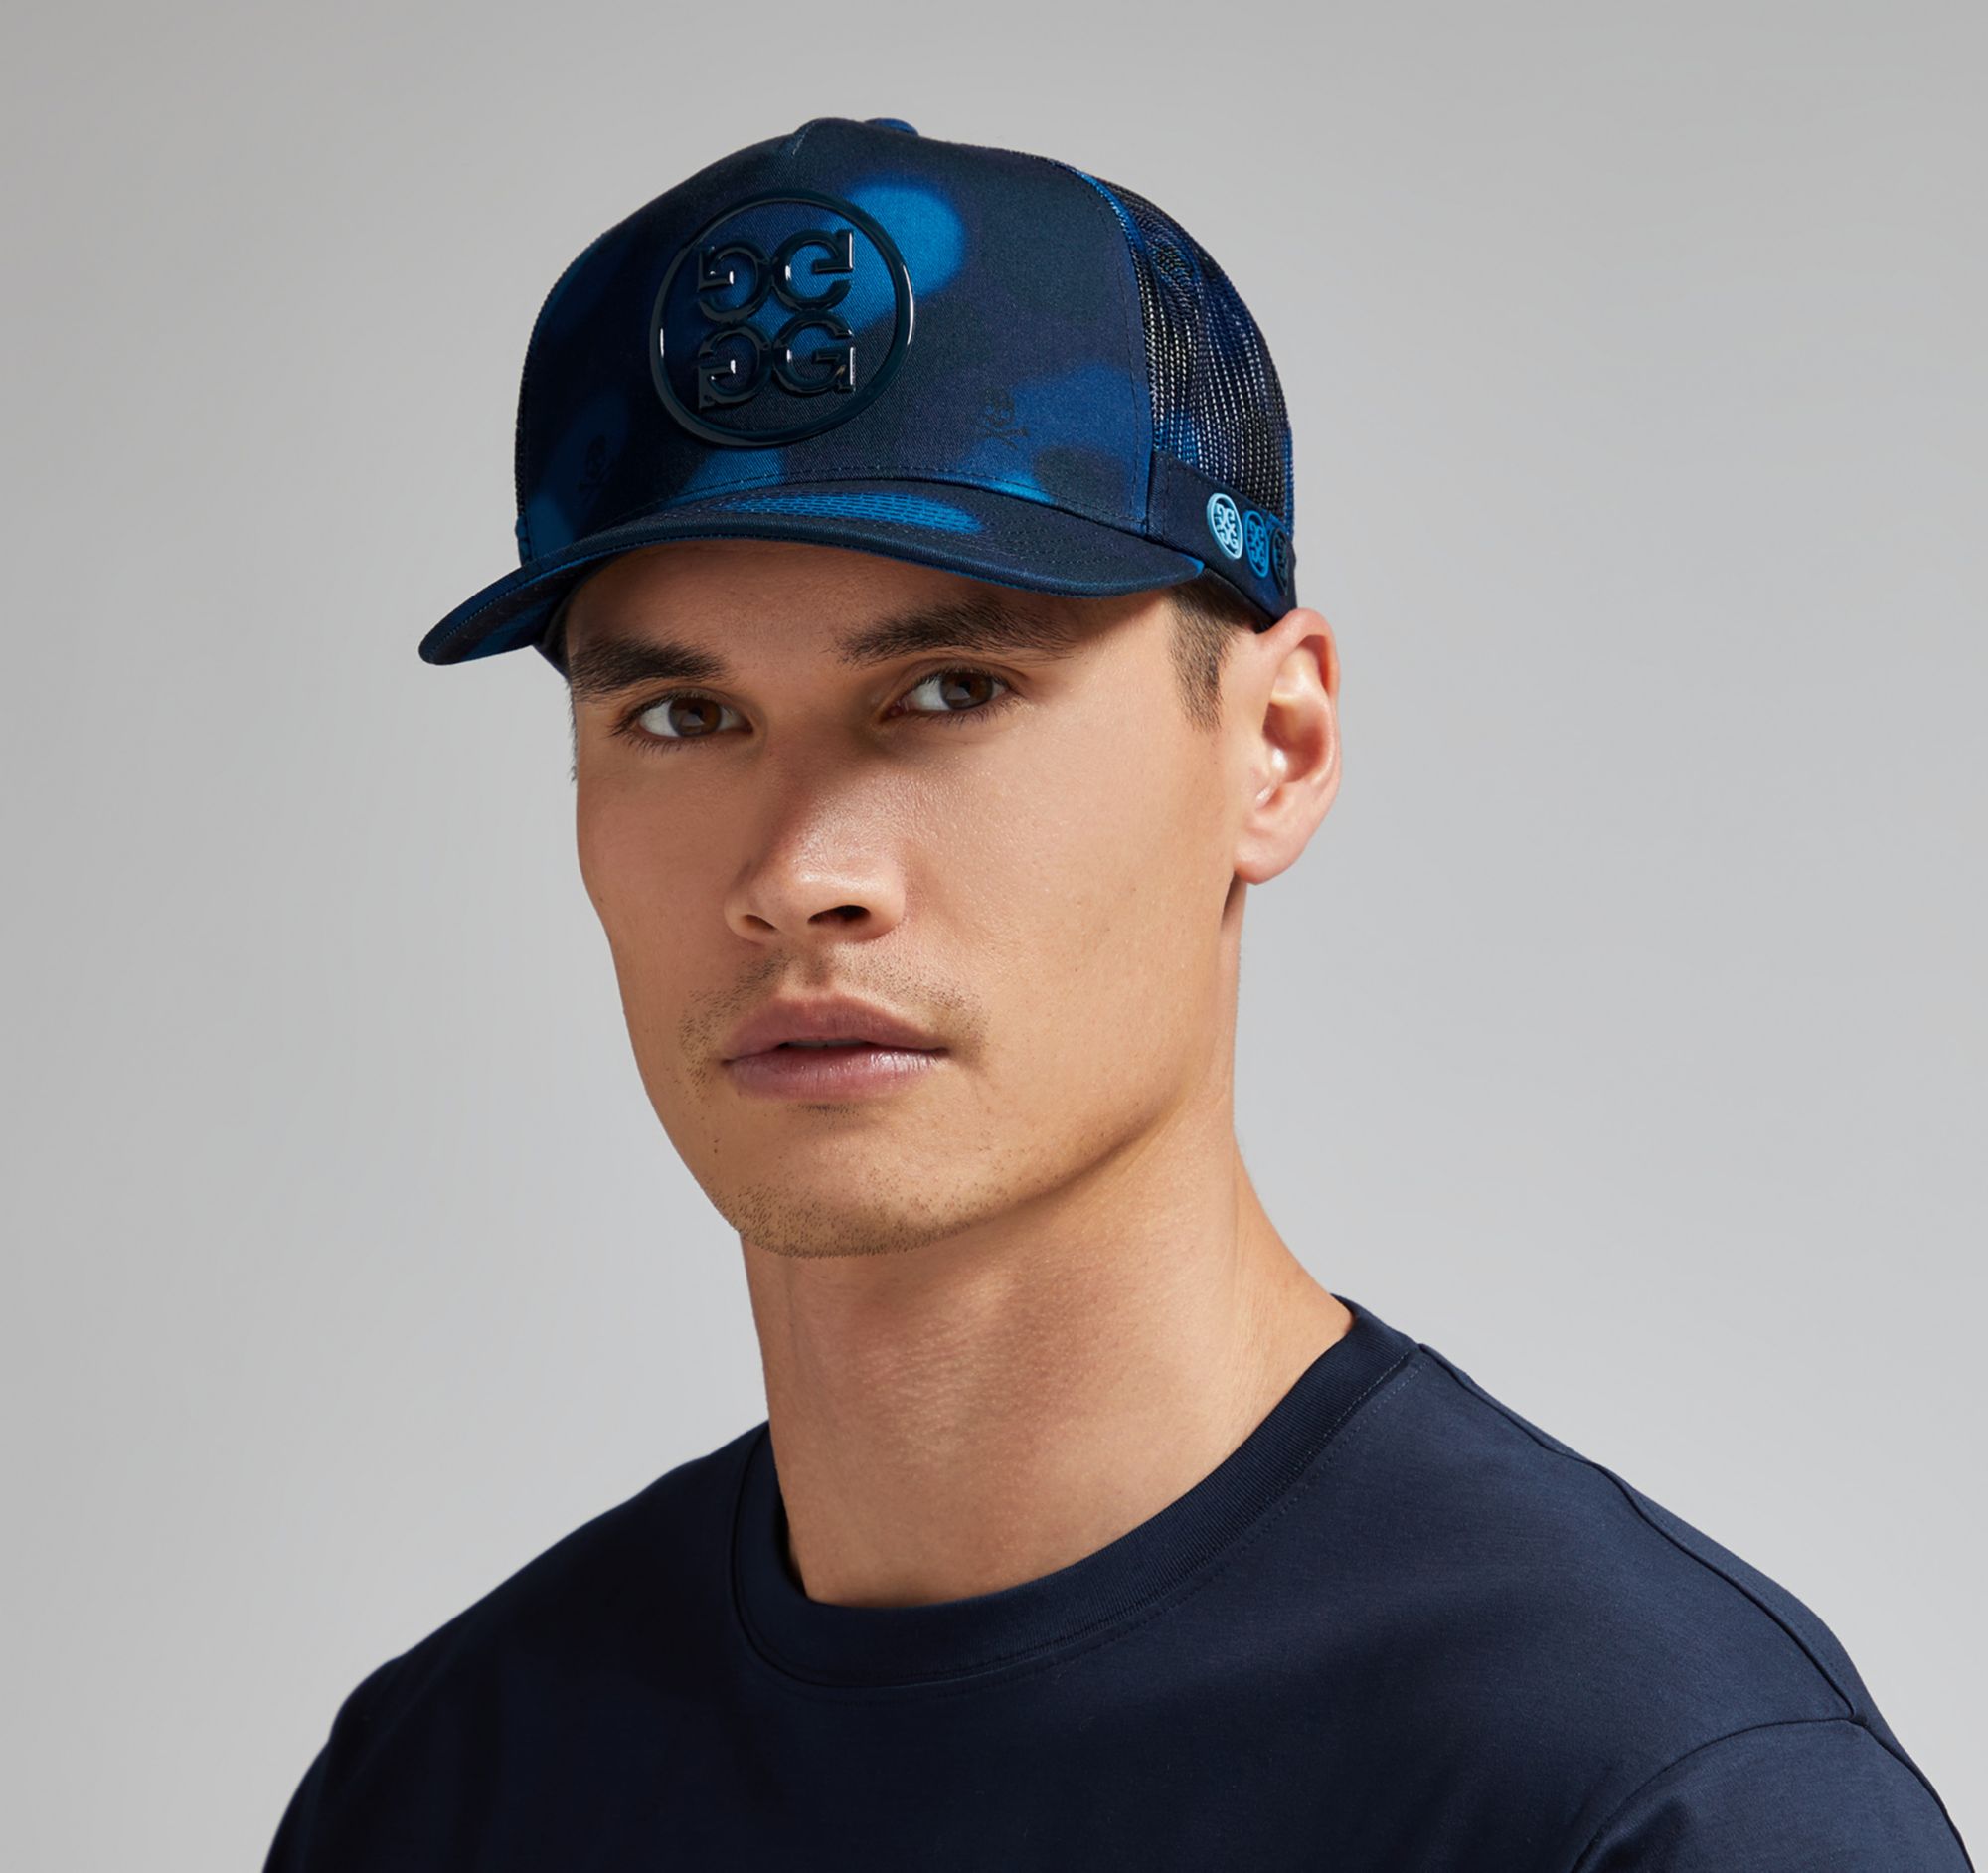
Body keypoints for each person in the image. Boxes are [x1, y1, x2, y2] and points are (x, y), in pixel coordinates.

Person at [262, 115, 1973, 1869]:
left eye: (950, 691)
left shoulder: (1657, 1799)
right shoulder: (445, 1788)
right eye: (683, 716)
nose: (799, 871)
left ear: (1277, 746)